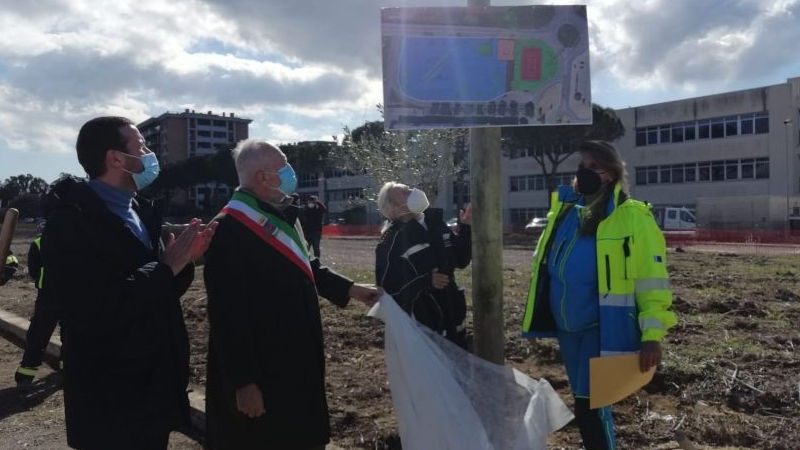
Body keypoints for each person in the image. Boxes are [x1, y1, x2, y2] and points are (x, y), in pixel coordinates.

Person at [41, 116, 216, 450]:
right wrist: (165, 268)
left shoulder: (138, 211)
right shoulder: (70, 223)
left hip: (150, 394)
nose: (150, 154)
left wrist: (183, 262)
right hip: (109, 404)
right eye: (142, 146)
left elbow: (157, 293)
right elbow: (94, 310)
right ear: (116, 159)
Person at [203, 139, 380, 450]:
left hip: (296, 359)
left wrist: (352, 290)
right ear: (263, 177)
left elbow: (306, 265)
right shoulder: (228, 228)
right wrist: (244, 382)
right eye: (283, 165)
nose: (290, 171)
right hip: (263, 369)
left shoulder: (285, 215)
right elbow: (227, 314)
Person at [521, 140, 677, 450]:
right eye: (582, 166)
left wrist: (652, 334)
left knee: (590, 407)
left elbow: (651, 279)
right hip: (568, 328)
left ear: (612, 174)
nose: (585, 172)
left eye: (594, 167)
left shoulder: (632, 217)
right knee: (585, 405)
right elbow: (546, 267)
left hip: (601, 327)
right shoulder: (567, 212)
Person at [374, 182, 472, 349]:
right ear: (393, 208)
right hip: (423, 323)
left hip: (453, 314)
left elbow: (460, 260)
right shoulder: (392, 240)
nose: (413, 192)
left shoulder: (436, 223)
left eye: (410, 189)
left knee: (458, 362)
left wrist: (466, 227)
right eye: (405, 193)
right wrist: (426, 281)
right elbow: (388, 289)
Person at [14, 232, 62, 386]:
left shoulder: (39, 242)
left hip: (47, 295)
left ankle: (26, 374)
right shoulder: (78, 238)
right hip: (72, 295)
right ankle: (67, 370)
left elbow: (34, 270)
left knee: (38, 333)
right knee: (70, 333)